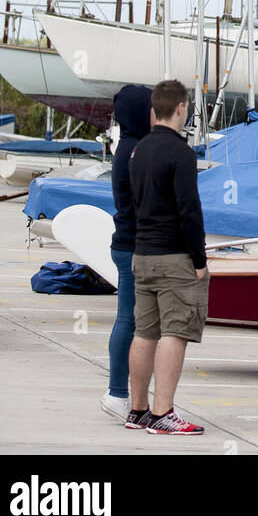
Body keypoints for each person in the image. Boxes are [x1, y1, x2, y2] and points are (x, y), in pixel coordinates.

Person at [126, 79, 208, 435]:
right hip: (174, 256)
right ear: (180, 108)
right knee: (176, 331)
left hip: (142, 253)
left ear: (152, 111)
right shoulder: (181, 153)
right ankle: (163, 414)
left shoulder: (137, 150)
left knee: (144, 332)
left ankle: (138, 409)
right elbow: (189, 210)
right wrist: (200, 261)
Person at [100, 84, 153, 421]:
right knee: (129, 321)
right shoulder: (135, 151)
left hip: (126, 243)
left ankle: (125, 392)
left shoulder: (129, 147)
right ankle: (117, 392)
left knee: (132, 321)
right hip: (133, 246)